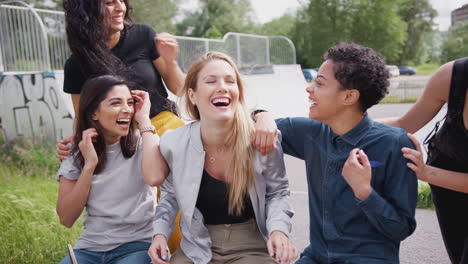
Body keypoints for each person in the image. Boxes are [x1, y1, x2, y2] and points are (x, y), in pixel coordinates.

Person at [254, 43, 418, 263]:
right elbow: (240, 123)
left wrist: (364, 191)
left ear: (349, 97)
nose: (309, 89)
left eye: (319, 84)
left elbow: (401, 229)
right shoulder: (310, 132)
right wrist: (261, 115)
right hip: (316, 257)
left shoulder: (394, 144)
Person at [143, 52, 297, 264]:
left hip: (252, 245)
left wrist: (279, 231)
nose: (223, 87)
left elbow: (277, 193)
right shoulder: (174, 142)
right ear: (193, 95)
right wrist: (159, 234)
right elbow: (170, 196)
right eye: (211, 81)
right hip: (198, 244)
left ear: (238, 92)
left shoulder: (261, 138)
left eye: (230, 81)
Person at [57, 0, 185, 251]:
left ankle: (187, 253)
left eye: (121, 1)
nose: (119, 8)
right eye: (108, 3)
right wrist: (72, 146)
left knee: (180, 198)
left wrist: (171, 62)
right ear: (87, 11)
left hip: (161, 124)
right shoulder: (77, 63)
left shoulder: (144, 35)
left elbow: (180, 88)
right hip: (120, 140)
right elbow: (82, 115)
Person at [56, 75, 164, 263]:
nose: (126, 110)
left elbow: (155, 177)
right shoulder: (78, 151)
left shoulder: (144, 142)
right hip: (89, 249)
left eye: (130, 103)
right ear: (93, 113)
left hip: (138, 245)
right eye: (116, 103)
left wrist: (144, 119)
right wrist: (89, 165)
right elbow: (66, 218)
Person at [381, 58, 468, 263]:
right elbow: (404, 123)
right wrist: (347, 124)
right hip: (449, 193)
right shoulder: (452, 76)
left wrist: (426, 172)